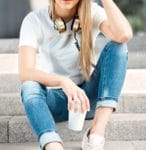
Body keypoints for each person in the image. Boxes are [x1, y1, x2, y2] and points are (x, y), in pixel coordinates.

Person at [18, 0, 132, 150]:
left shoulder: (92, 11)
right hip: (55, 102)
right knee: (29, 86)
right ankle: (53, 145)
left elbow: (124, 35)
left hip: (87, 100)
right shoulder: (33, 20)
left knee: (118, 47)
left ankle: (95, 136)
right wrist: (63, 81)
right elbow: (26, 72)